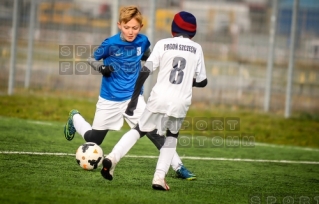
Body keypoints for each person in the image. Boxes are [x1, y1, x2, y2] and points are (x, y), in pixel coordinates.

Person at [63, 6, 196, 180]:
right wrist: (102, 68)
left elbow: (147, 57)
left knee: (154, 133)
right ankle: (75, 118)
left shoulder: (143, 41)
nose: (130, 32)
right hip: (108, 99)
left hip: (134, 98)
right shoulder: (110, 44)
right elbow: (90, 59)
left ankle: (179, 167)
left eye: (134, 28)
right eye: (126, 27)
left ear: (140, 27)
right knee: (94, 140)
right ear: (119, 25)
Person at [100, 11, 207, 190]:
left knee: (139, 129)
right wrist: (189, 81)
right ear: (193, 32)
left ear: (173, 29)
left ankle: (112, 158)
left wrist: (134, 100)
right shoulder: (197, 49)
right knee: (171, 137)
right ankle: (158, 178)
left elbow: (145, 72)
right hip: (180, 101)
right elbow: (203, 81)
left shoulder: (163, 44)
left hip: (158, 98)